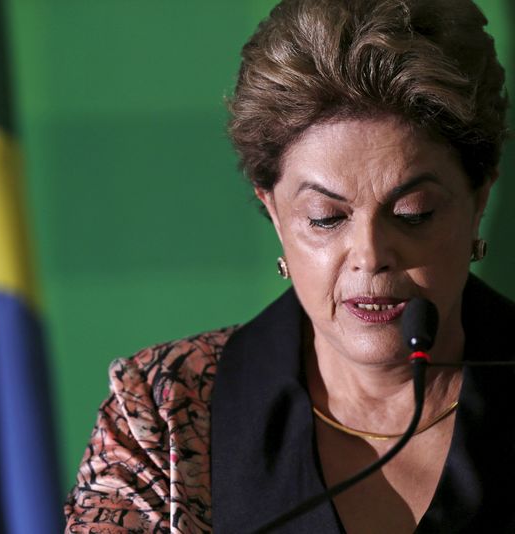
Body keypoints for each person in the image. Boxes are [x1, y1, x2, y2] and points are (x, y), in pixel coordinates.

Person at [64, 0, 514, 531]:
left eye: (413, 214)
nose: (370, 255)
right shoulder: (162, 412)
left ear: (479, 199)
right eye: (326, 218)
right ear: (276, 214)